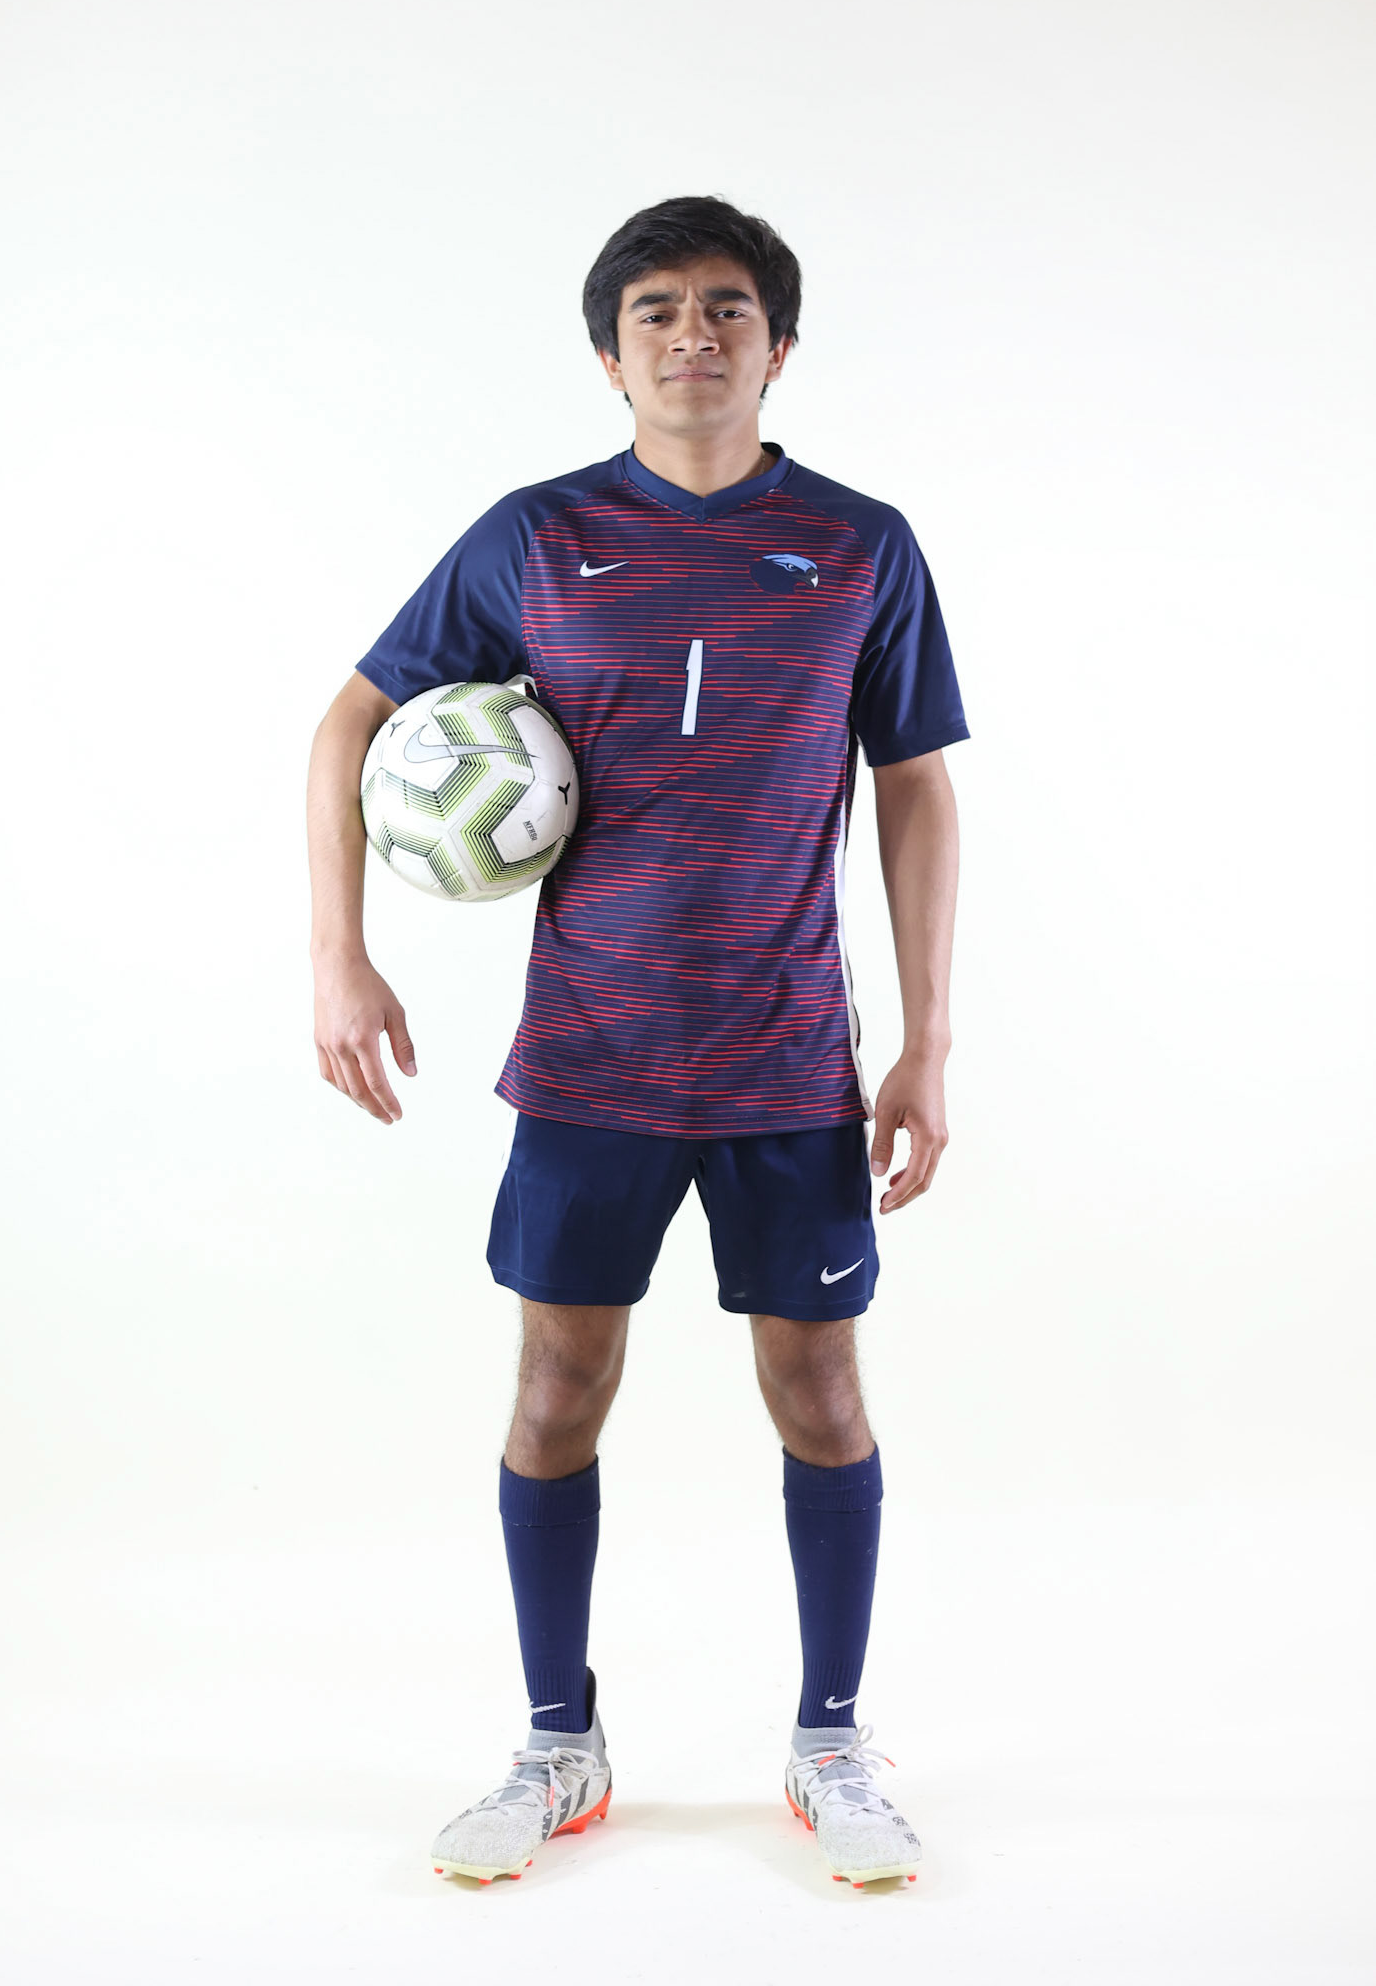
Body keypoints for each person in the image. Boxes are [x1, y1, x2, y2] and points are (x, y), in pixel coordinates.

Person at [305, 194, 967, 1890]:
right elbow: (351, 723)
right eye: (657, 310)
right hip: (590, 1059)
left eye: (728, 308)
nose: (694, 333)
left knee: (819, 1390)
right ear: (610, 353)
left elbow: (914, 788)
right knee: (553, 1388)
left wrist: (926, 1042)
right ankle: (555, 1743)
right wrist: (341, 961)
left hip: (791, 1062)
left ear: (779, 345)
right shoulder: (534, 539)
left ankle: (831, 1738)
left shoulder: (859, 545)